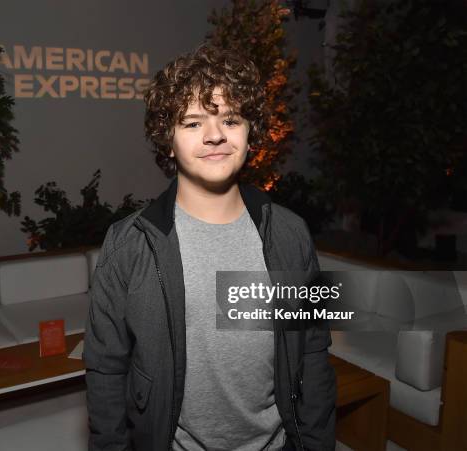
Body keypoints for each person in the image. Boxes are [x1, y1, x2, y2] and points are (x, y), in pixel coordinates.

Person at [83, 44, 336, 451]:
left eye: (230, 119)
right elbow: (105, 370)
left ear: (250, 134)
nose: (215, 135)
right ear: (168, 142)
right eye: (192, 123)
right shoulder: (128, 243)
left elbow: (312, 351)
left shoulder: (291, 233)